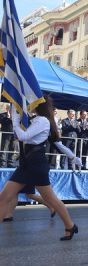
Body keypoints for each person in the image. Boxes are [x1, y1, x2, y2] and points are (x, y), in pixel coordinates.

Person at [0, 100, 78, 240]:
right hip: (27, 163)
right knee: (4, 197)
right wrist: (16, 117)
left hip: (36, 164)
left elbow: (23, 136)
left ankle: (70, 226)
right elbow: (20, 136)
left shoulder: (42, 121)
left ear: (38, 104)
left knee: (51, 199)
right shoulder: (36, 120)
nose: (30, 103)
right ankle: (70, 226)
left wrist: (16, 121)